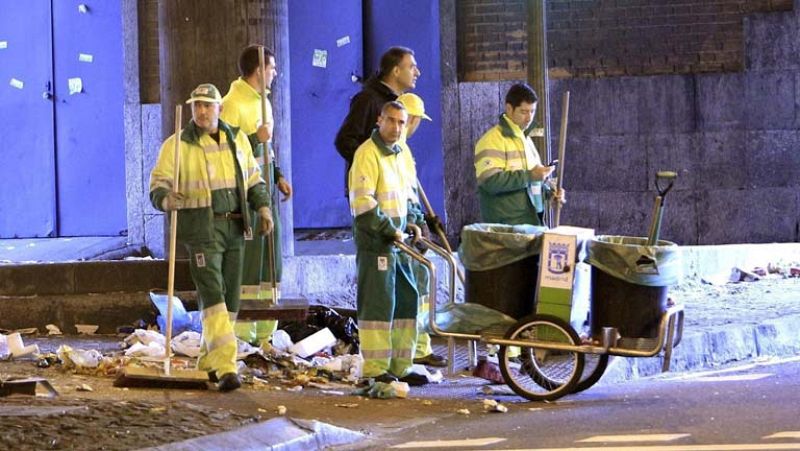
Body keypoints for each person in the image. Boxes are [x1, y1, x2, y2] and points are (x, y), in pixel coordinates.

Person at [149, 83, 273, 392]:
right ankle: (226, 366)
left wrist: (264, 208)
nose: (202, 111)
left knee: (230, 298)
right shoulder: (176, 145)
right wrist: (166, 198)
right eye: (197, 106)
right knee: (214, 294)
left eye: (208, 105)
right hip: (202, 230)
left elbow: (253, 179)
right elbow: (157, 185)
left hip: (234, 227)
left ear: (219, 108)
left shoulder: (238, 140)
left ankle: (207, 360)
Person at [348, 101, 426, 385]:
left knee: (407, 300)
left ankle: (401, 365)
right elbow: (363, 201)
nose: (395, 127)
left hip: (400, 241)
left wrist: (415, 222)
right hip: (377, 242)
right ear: (379, 120)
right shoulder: (367, 154)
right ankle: (376, 368)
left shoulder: (400, 153)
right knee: (378, 305)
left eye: (401, 122)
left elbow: (409, 194)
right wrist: (389, 229)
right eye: (391, 121)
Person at [221, 44, 292, 347]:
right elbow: (227, 152)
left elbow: (267, 151)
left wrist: (277, 176)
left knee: (269, 260)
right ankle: (242, 335)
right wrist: (254, 138)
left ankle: (266, 333)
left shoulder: (264, 102)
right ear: (259, 70)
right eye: (272, 68)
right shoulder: (231, 103)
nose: (275, 73)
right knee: (249, 264)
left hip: (265, 192)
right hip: (244, 196)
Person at [395, 93, 447, 368]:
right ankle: (415, 348)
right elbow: (403, 194)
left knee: (421, 285)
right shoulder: (398, 150)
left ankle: (421, 345)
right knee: (414, 289)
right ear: (413, 119)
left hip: (412, 222)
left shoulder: (401, 149)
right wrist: (416, 223)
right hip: (407, 225)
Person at [474, 83, 563, 227]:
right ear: (509, 108)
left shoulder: (526, 141)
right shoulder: (492, 140)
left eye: (532, 111)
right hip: (507, 229)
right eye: (524, 112)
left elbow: (532, 182)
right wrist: (530, 175)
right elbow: (489, 182)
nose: (529, 118)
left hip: (533, 223)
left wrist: (550, 193)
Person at [335, 46, 420, 195]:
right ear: (396, 71)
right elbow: (344, 140)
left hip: (391, 186)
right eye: (412, 67)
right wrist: (372, 164)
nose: (417, 73)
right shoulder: (368, 100)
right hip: (368, 188)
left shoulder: (397, 102)